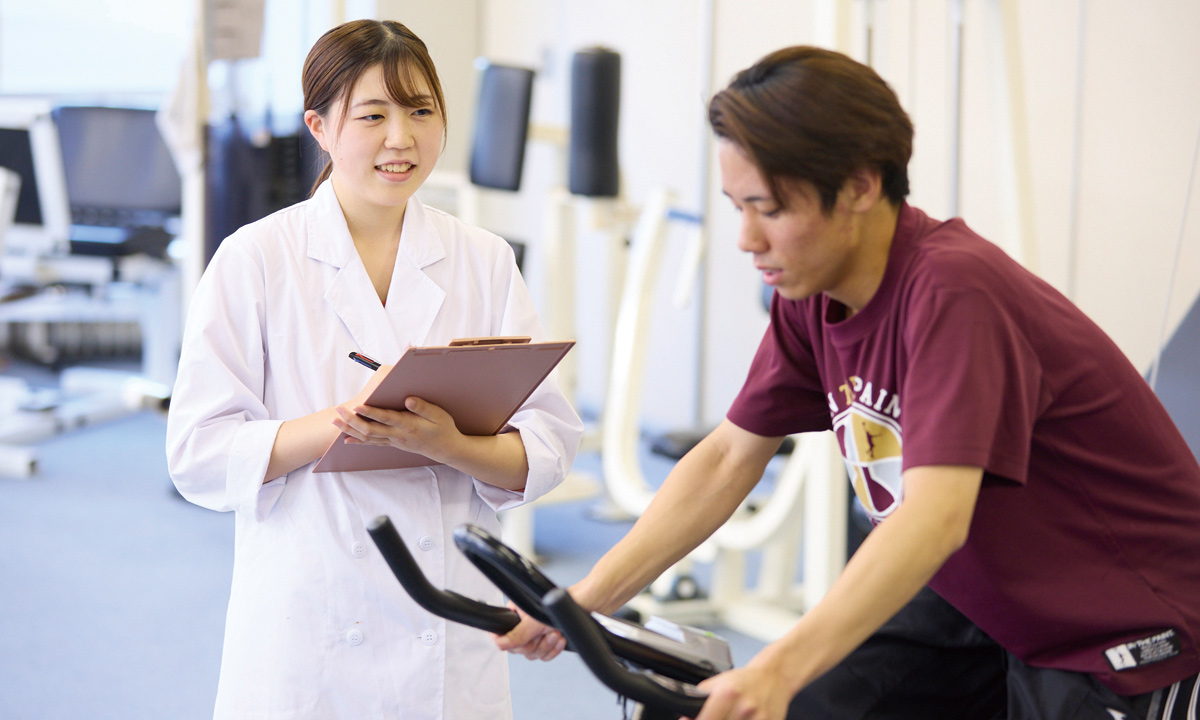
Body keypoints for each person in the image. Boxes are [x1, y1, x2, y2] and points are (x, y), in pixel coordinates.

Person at [496, 45, 1200, 720]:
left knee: (781, 677)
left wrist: (776, 667)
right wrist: (586, 599)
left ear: (861, 186)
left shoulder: (954, 293)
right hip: (980, 594)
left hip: (1121, 627)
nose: (746, 238)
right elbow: (729, 457)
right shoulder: (814, 295)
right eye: (737, 206)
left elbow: (933, 517)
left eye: (768, 209)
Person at [166, 19, 582, 720]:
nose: (402, 137)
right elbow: (197, 452)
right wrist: (341, 424)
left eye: (421, 111)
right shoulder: (256, 259)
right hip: (312, 618)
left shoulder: (483, 259)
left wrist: (449, 445)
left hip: (446, 620)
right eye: (373, 114)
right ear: (320, 127)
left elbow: (549, 444)